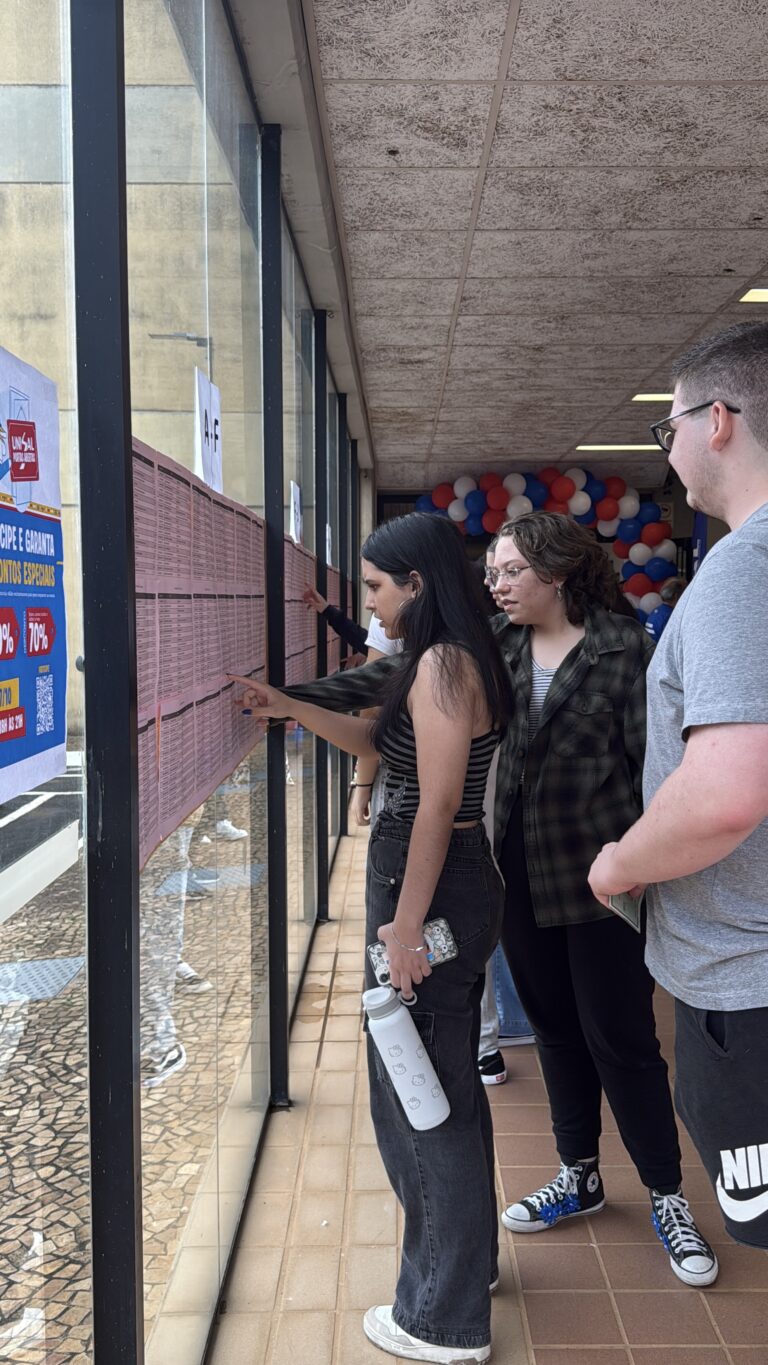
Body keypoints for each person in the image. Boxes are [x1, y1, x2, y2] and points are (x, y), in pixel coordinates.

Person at [292, 512, 718, 1286]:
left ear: (558, 571)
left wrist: (643, 865)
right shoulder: (497, 644)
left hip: (604, 879)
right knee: (553, 1030)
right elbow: (388, 682)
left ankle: (667, 1193)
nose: (496, 584)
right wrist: (290, 695)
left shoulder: (624, 649)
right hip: (518, 873)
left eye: (512, 570)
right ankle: (579, 1172)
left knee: (622, 1039)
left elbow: (656, 767)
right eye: (491, 572)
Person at [235, 512, 513, 1365]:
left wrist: (405, 928)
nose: (371, 604)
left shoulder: (443, 664)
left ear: (417, 583)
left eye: (377, 587)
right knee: (445, 1086)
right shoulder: (450, 657)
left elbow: (437, 804)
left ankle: (441, 1318)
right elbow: (380, 746)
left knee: (418, 1101)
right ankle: (468, 1270)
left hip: (431, 882)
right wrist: (289, 707)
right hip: (445, 880)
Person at [589, 320, 768, 1250]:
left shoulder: (743, 569)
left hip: (746, 981)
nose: (669, 449)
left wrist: (619, 863)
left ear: (720, 421)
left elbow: (725, 794)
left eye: (670, 426)